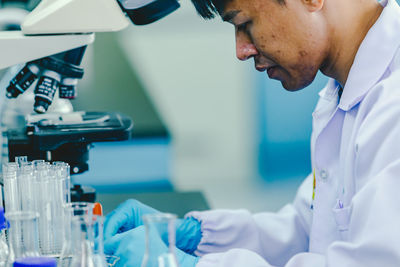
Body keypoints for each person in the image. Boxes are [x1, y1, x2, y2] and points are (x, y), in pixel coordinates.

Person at [103, 0, 400, 266]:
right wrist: (194, 237)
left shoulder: (393, 107)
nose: (241, 51)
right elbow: (309, 229)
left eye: (245, 24)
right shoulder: (344, 93)